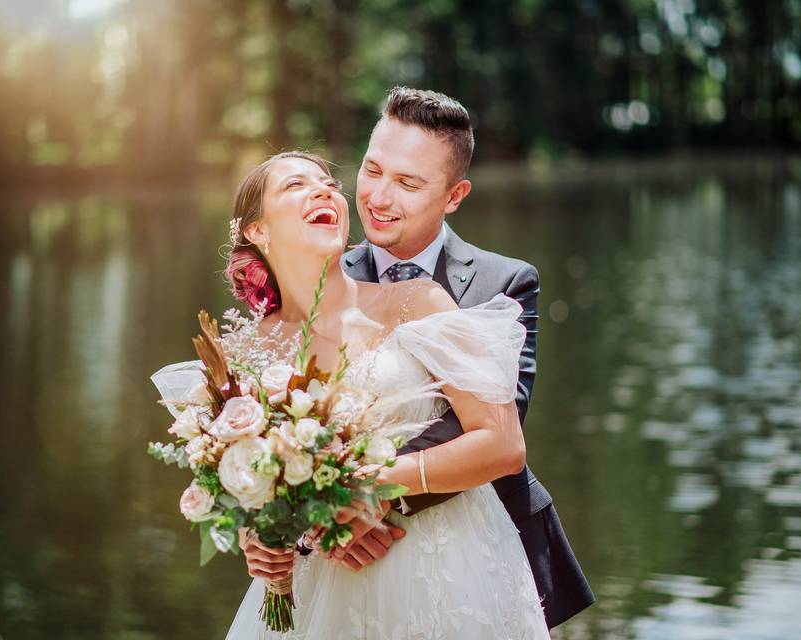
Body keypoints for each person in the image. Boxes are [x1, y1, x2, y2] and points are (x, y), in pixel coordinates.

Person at [239, 88, 594, 633]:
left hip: (457, 558)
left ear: (454, 195)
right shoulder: (314, 267)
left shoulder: (504, 283)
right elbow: (265, 431)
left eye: (407, 184)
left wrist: (361, 496)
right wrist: (283, 522)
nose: (378, 197)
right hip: (331, 567)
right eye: (372, 170)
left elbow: (491, 428)